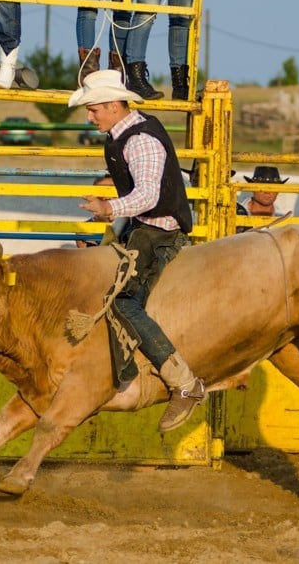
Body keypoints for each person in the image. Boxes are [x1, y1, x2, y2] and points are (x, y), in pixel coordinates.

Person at [70, 69, 204, 432]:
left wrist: (109, 209)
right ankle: (120, 375)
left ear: (114, 105)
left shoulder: (139, 140)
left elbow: (149, 196)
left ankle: (184, 383)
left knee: (123, 301)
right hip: (143, 227)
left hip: (157, 232)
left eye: (94, 108)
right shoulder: (126, 134)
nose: (89, 116)